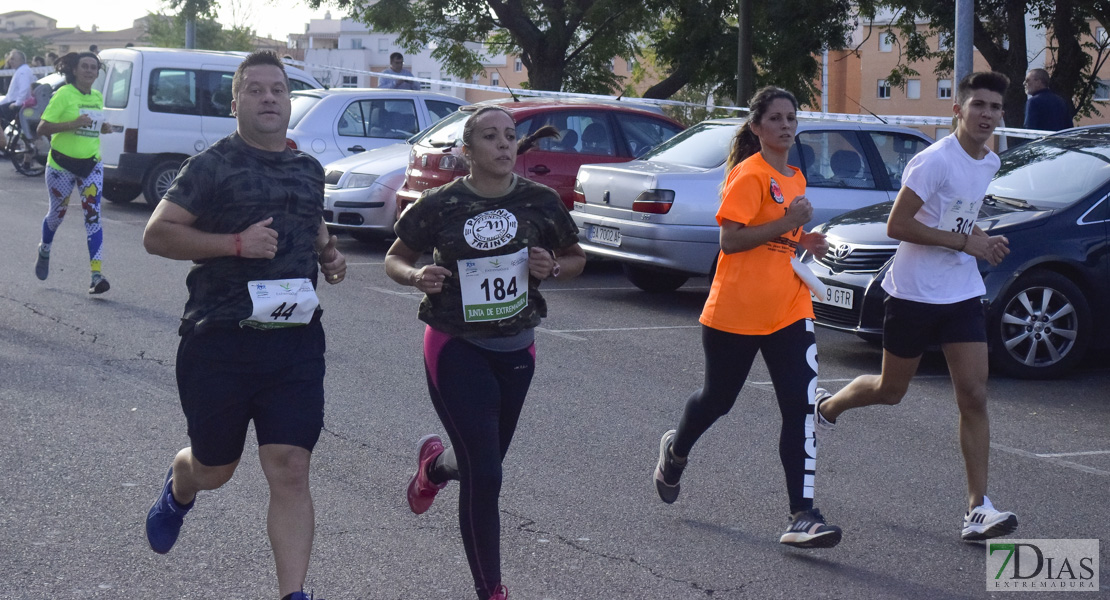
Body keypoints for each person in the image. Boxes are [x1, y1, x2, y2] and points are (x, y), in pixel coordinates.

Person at [142, 50, 346, 600]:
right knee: (215, 469)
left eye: (277, 89)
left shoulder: (308, 169)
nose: (268, 98)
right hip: (220, 340)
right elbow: (157, 235)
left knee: (290, 465)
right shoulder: (212, 165)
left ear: (288, 99)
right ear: (235, 103)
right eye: (254, 90)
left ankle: (293, 594)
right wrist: (234, 244)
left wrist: (328, 253)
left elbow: (309, 218)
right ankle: (179, 488)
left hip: (295, 340)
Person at [384, 105, 586, 600]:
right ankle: (491, 589)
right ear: (467, 150)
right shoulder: (438, 204)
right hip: (456, 344)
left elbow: (576, 258)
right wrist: (416, 277)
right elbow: (395, 258)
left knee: (482, 460)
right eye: (490, 136)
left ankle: (433, 469)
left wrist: (552, 267)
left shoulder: (540, 202)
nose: (502, 144)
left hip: (517, 347)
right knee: (487, 475)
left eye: (509, 136)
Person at [813, 72, 1019, 542]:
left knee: (974, 395)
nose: (987, 114)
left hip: (961, 292)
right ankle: (827, 407)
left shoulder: (989, 161)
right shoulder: (932, 162)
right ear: (958, 110)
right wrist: (964, 241)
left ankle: (977, 509)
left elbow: (958, 219)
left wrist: (982, 243)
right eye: (979, 105)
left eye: (995, 107)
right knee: (891, 389)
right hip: (913, 292)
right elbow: (897, 224)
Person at [652, 86, 839, 549]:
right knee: (718, 399)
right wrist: (786, 224)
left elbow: (777, 238)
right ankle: (675, 452)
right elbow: (731, 242)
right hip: (736, 311)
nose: (786, 125)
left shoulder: (795, 176)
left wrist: (802, 241)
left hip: (790, 309)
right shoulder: (748, 175)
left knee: (799, 407)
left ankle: (803, 514)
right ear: (756, 127)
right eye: (775, 118)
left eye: (791, 118)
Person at [34, 51, 118, 294]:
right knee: (57, 215)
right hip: (61, 165)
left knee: (93, 217)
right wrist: (73, 124)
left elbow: (89, 126)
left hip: (91, 165)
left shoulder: (97, 96)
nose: (90, 71)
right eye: (85, 67)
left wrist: (102, 127)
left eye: (94, 67)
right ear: (74, 70)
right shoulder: (63, 94)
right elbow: (42, 128)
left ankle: (96, 275)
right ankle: (45, 248)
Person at [0, 49, 35, 152]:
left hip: (17, 104)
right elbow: (10, 95)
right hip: (14, 102)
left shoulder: (23, 71)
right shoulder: (21, 70)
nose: (10, 61)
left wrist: (17, 104)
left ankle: (2, 144)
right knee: (23, 132)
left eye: (13, 59)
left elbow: (24, 89)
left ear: (21, 60)